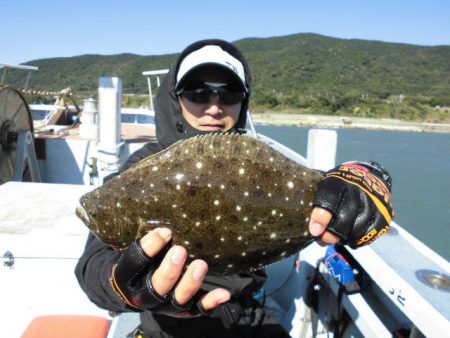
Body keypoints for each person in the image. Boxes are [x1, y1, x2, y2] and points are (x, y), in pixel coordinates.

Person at [75, 39, 394, 338]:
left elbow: (323, 188)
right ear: (177, 98)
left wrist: (360, 180)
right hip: (166, 326)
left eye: (228, 93)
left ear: (243, 101)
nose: (214, 107)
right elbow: (92, 266)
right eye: (198, 92)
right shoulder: (144, 165)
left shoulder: (262, 163)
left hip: (250, 317)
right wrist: (121, 283)